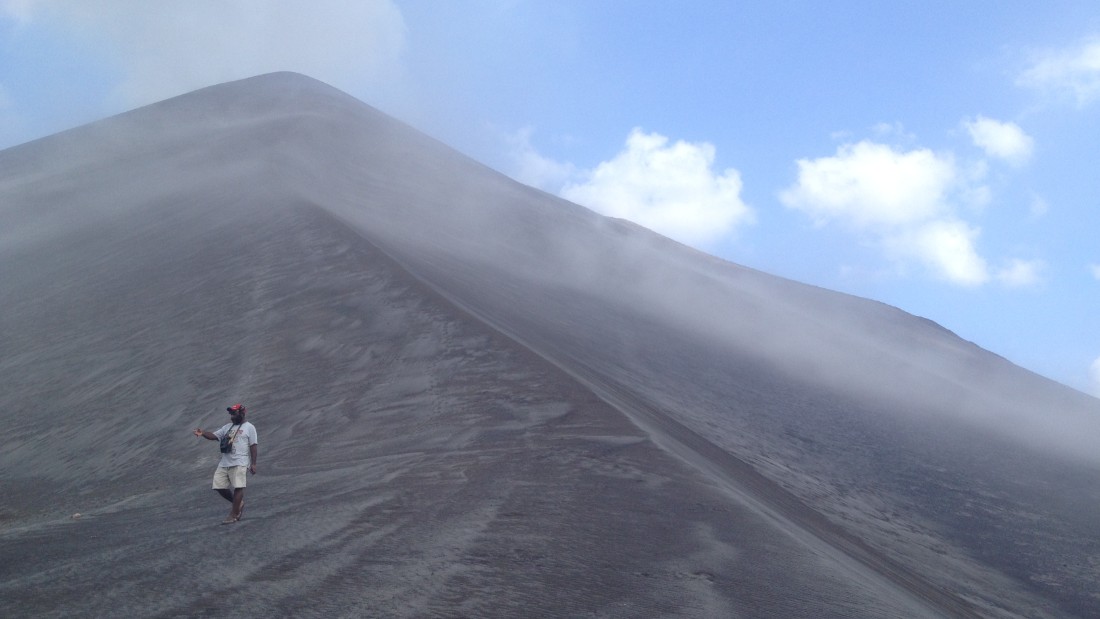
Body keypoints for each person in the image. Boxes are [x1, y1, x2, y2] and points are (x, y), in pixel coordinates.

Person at [194, 404, 258, 524]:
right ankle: (238, 504)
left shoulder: (250, 427)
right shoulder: (227, 427)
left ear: (242, 413)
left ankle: (233, 514)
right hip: (225, 463)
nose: (232, 417)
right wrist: (202, 433)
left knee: (238, 487)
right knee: (219, 486)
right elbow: (214, 436)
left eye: (234, 414)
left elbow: (253, 445)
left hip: (240, 462)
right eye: (231, 414)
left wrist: (253, 464)